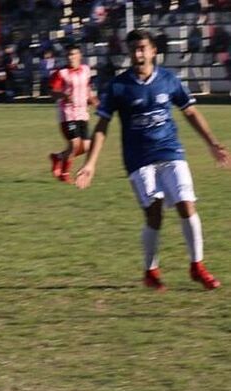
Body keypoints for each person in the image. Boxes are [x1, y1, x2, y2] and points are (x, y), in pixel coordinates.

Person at [75, 29, 230, 291]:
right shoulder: (118, 86)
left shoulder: (169, 80)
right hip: (138, 159)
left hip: (171, 151)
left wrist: (212, 143)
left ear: (153, 50)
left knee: (187, 204)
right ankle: (151, 271)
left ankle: (197, 266)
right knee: (154, 214)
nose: (138, 53)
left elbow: (190, 112)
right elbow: (102, 126)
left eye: (143, 48)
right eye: (134, 49)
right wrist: (90, 163)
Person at [48, 44, 98, 183]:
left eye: (74, 54)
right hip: (68, 115)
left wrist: (94, 100)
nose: (71, 57)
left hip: (83, 114)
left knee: (86, 147)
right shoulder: (61, 73)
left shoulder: (86, 70)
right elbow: (52, 92)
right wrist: (63, 95)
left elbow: (87, 88)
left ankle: (58, 157)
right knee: (75, 144)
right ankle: (64, 174)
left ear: (79, 56)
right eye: (69, 55)